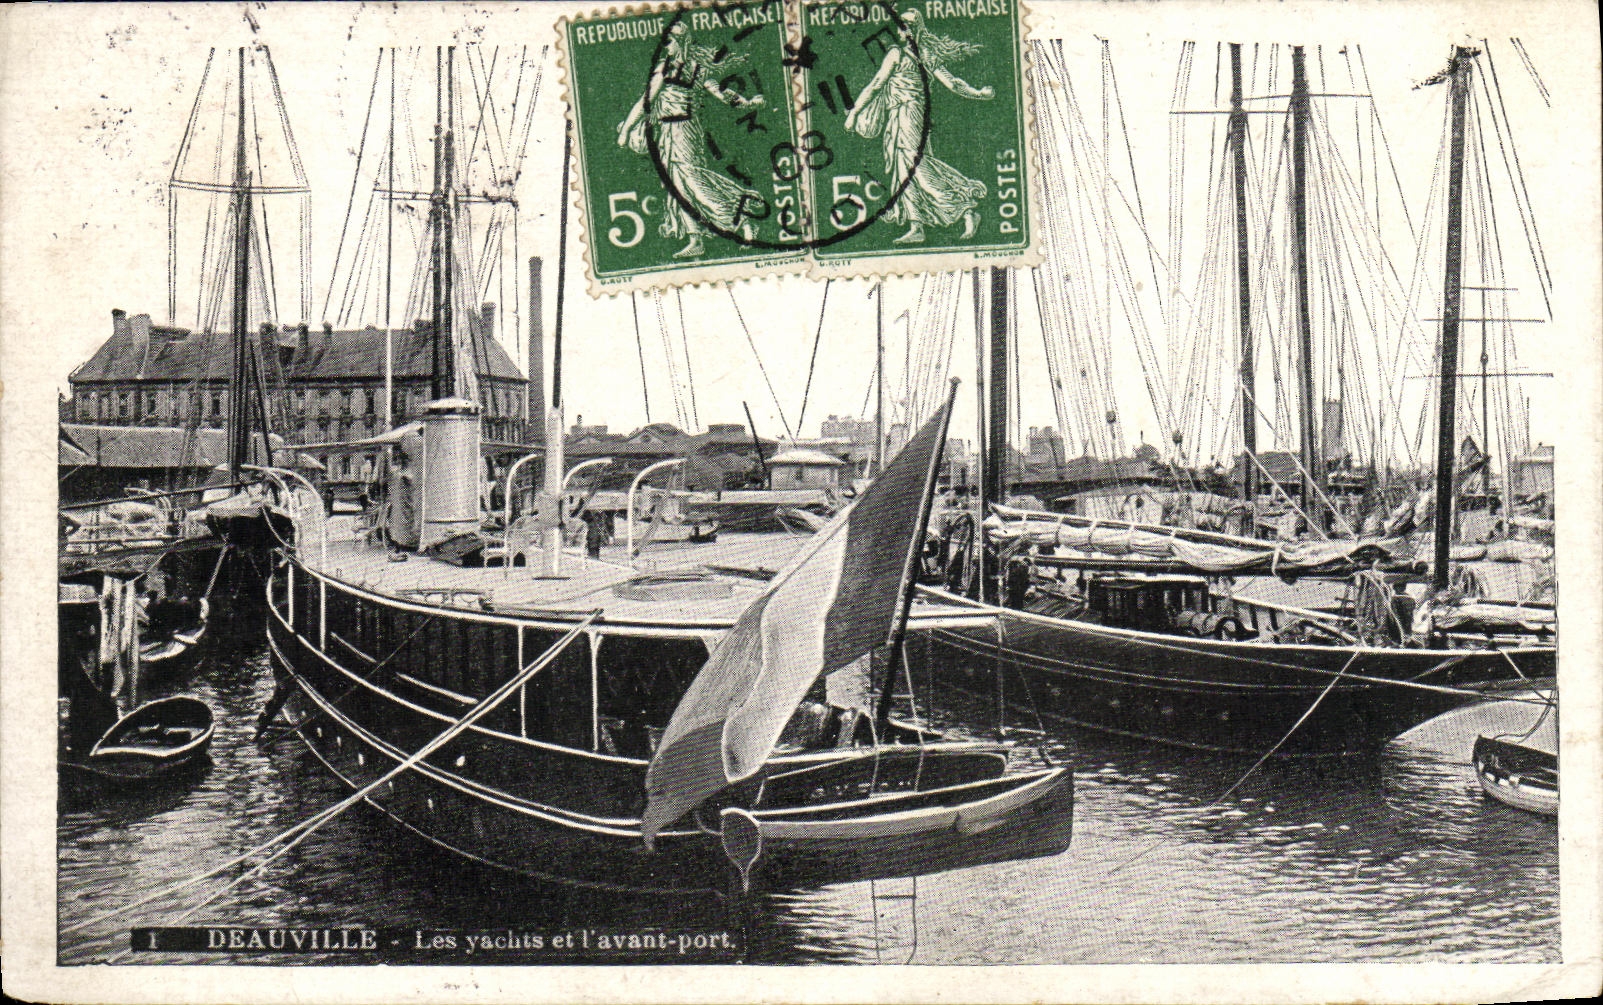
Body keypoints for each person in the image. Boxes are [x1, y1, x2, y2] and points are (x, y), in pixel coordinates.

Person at [617, 22, 766, 258]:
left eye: (669, 41)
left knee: (693, 181)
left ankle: (741, 220)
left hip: (680, 131)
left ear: (680, 42)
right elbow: (722, 94)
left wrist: (626, 130)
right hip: (675, 131)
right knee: (678, 185)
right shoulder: (693, 69)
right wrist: (747, 102)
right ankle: (695, 237)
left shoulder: (671, 69)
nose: (665, 46)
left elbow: (645, 102)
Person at [844, 9, 993, 245]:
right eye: (902, 24)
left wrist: (853, 114)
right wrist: (979, 94)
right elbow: (876, 85)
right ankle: (917, 226)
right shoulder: (910, 54)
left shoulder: (907, 55)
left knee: (916, 168)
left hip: (909, 115)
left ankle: (964, 208)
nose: (904, 29)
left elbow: (951, 83)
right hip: (901, 116)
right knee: (905, 171)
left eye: (909, 25)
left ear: (917, 29)